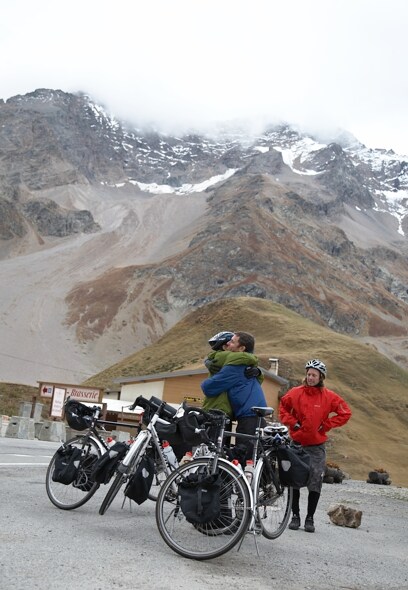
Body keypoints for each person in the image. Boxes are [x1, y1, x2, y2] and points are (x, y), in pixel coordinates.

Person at [279, 359, 352, 533]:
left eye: (314, 375)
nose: (311, 377)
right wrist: (293, 422)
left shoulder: (329, 396)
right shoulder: (295, 393)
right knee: (294, 481)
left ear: (321, 377)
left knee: (315, 481)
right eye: (309, 374)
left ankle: (309, 519)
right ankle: (294, 516)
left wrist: (326, 425)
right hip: (296, 444)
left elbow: (345, 413)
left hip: (316, 447)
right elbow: (283, 407)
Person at [201, 331, 267, 461]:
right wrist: (258, 372)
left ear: (241, 348)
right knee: (242, 456)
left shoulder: (235, 364)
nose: (228, 344)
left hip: (243, 414)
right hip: (246, 413)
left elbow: (208, 387)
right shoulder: (244, 362)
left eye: (232, 342)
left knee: (242, 458)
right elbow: (257, 380)